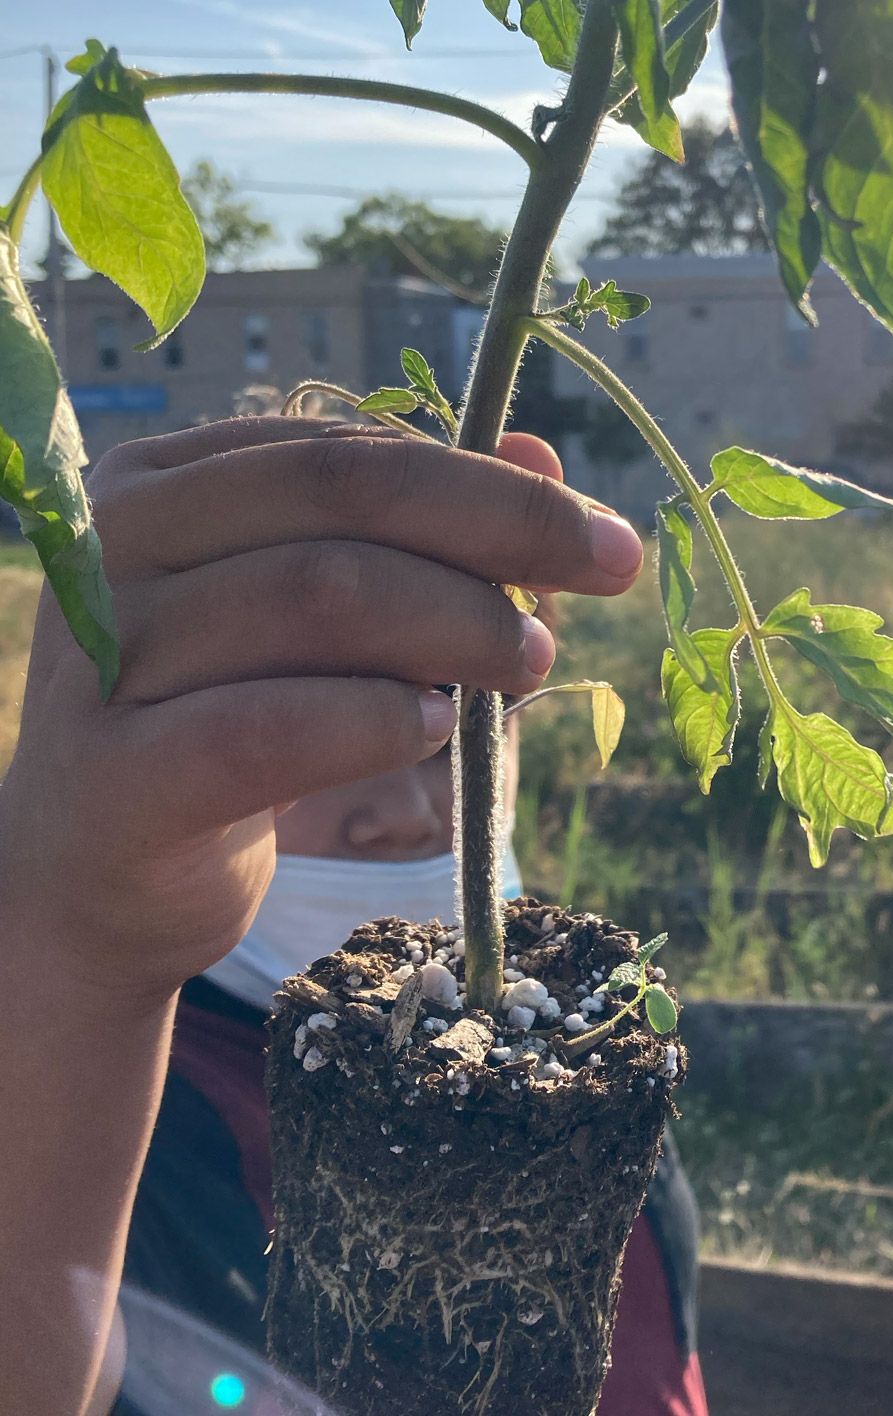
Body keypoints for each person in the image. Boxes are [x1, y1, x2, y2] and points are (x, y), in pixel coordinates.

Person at [0, 419, 706, 1416]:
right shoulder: (123, 1111)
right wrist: (71, 954)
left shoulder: (597, 1038)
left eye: (451, 727)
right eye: (331, 740)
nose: (409, 816)